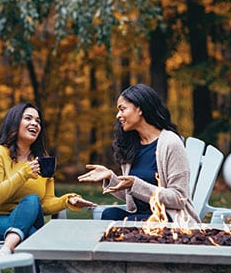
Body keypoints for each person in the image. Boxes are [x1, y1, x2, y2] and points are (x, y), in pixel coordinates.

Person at [0, 103, 97, 257]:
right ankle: (14, 252)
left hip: (25, 220)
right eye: (28, 118)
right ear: (14, 122)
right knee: (35, 235)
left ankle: (7, 248)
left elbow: (45, 204)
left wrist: (67, 201)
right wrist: (23, 174)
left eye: (38, 121)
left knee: (32, 201)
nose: (34, 123)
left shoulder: (43, 162)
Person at [78, 84, 201, 223]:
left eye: (122, 109)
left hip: (169, 218)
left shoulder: (170, 143)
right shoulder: (132, 145)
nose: (118, 115)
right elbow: (134, 195)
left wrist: (135, 184)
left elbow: (179, 198)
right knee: (109, 214)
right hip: (141, 216)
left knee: (125, 224)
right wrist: (110, 177)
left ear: (139, 108)